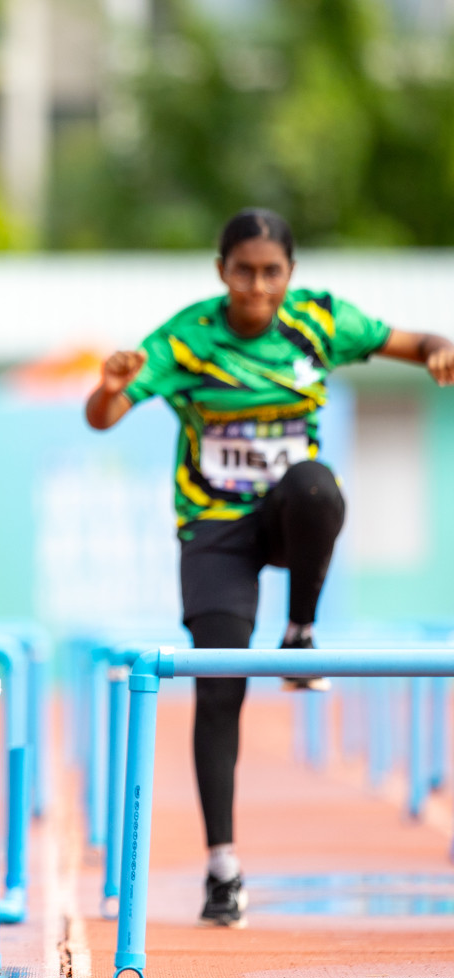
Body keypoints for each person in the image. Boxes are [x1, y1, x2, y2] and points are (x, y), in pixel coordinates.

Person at [85, 208, 454, 928]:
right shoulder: (186, 340)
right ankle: (223, 868)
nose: (257, 286)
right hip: (216, 531)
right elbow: (104, 416)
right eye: (244, 272)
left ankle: (301, 633)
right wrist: (108, 386)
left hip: (290, 518)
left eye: (271, 273)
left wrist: (441, 349)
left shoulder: (320, 323)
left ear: (290, 275)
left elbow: (414, 341)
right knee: (218, 686)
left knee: (317, 483)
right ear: (221, 272)